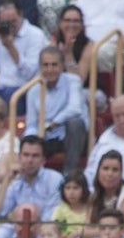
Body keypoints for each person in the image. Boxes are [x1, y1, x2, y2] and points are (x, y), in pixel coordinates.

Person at [27, 45, 87, 173]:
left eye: (54, 65)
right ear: (40, 67)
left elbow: (75, 109)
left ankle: (69, 174)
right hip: (48, 138)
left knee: (75, 122)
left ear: (62, 66)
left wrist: (53, 124)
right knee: (28, 141)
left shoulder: (73, 81)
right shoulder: (33, 90)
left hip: (72, 135)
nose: (50, 69)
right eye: (46, 65)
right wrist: (29, 140)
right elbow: (31, 124)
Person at [89, 149, 124, 227]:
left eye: (115, 170)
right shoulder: (94, 195)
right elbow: (87, 226)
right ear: (98, 171)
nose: (109, 174)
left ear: (121, 174)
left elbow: (118, 228)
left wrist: (79, 233)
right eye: (105, 168)